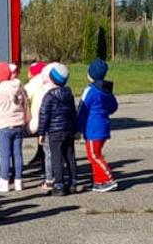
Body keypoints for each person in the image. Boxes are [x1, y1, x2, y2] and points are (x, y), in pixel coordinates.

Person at [0, 62, 29, 193]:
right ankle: (18, 181)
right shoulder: (19, 88)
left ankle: (4, 181)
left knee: (4, 155)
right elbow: (26, 105)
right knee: (18, 154)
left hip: (4, 127)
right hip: (19, 125)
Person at [77, 60, 121, 193]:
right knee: (95, 154)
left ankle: (108, 179)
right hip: (103, 125)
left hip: (93, 128)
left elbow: (82, 110)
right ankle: (98, 181)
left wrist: (77, 127)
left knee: (94, 155)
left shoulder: (90, 90)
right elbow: (114, 106)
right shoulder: (107, 91)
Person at [39, 62, 79, 196]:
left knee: (56, 157)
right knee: (70, 156)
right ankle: (73, 182)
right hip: (68, 129)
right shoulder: (69, 95)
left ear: (51, 79)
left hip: (55, 131)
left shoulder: (49, 96)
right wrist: (76, 129)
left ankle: (59, 184)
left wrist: (41, 132)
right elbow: (73, 113)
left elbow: (44, 115)